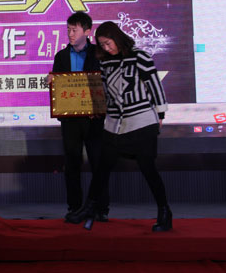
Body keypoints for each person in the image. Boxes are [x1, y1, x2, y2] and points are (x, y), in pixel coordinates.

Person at [66, 21, 171, 231]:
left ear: (117, 37)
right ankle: (89, 208)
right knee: (102, 168)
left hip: (141, 122)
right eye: (102, 45)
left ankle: (164, 211)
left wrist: (160, 113)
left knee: (148, 168)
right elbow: (106, 92)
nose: (106, 48)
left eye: (108, 43)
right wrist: (99, 109)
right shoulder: (105, 62)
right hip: (114, 124)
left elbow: (154, 85)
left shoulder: (140, 57)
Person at [47, 12, 107, 221]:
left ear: (88, 31)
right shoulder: (61, 56)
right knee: (72, 163)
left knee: (98, 163)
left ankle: (100, 208)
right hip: (70, 119)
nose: (70, 34)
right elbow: (58, 86)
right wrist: (52, 82)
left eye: (75, 30)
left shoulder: (99, 54)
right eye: (68, 30)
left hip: (95, 119)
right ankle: (74, 207)